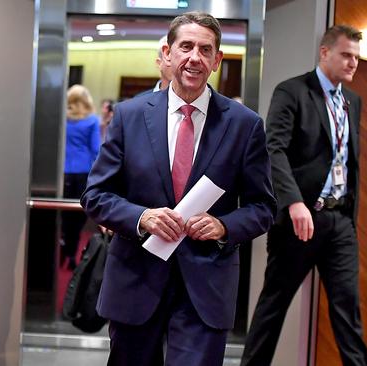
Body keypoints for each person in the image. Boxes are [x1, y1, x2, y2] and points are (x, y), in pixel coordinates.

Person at [81, 12, 275, 365]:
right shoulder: (129, 115)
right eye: (186, 46)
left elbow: (263, 207)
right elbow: (95, 196)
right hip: (137, 280)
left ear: (216, 61)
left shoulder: (244, 125)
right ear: (167, 53)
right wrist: (142, 217)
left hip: (206, 288)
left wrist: (224, 226)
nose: (194, 57)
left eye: (205, 50)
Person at [242, 25, 367, 366]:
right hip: (300, 220)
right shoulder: (293, 91)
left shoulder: (351, 101)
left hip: (340, 222)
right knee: (273, 307)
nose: (352, 63)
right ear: (325, 52)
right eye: (346, 55)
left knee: (348, 314)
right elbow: (274, 148)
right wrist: (294, 201)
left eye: (356, 57)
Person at [61, 84, 101, 269]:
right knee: (77, 217)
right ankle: (71, 254)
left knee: (62, 215)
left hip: (62, 173)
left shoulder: (63, 121)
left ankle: (62, 245)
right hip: (83, 173)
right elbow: (95, 150)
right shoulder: (92, 121)